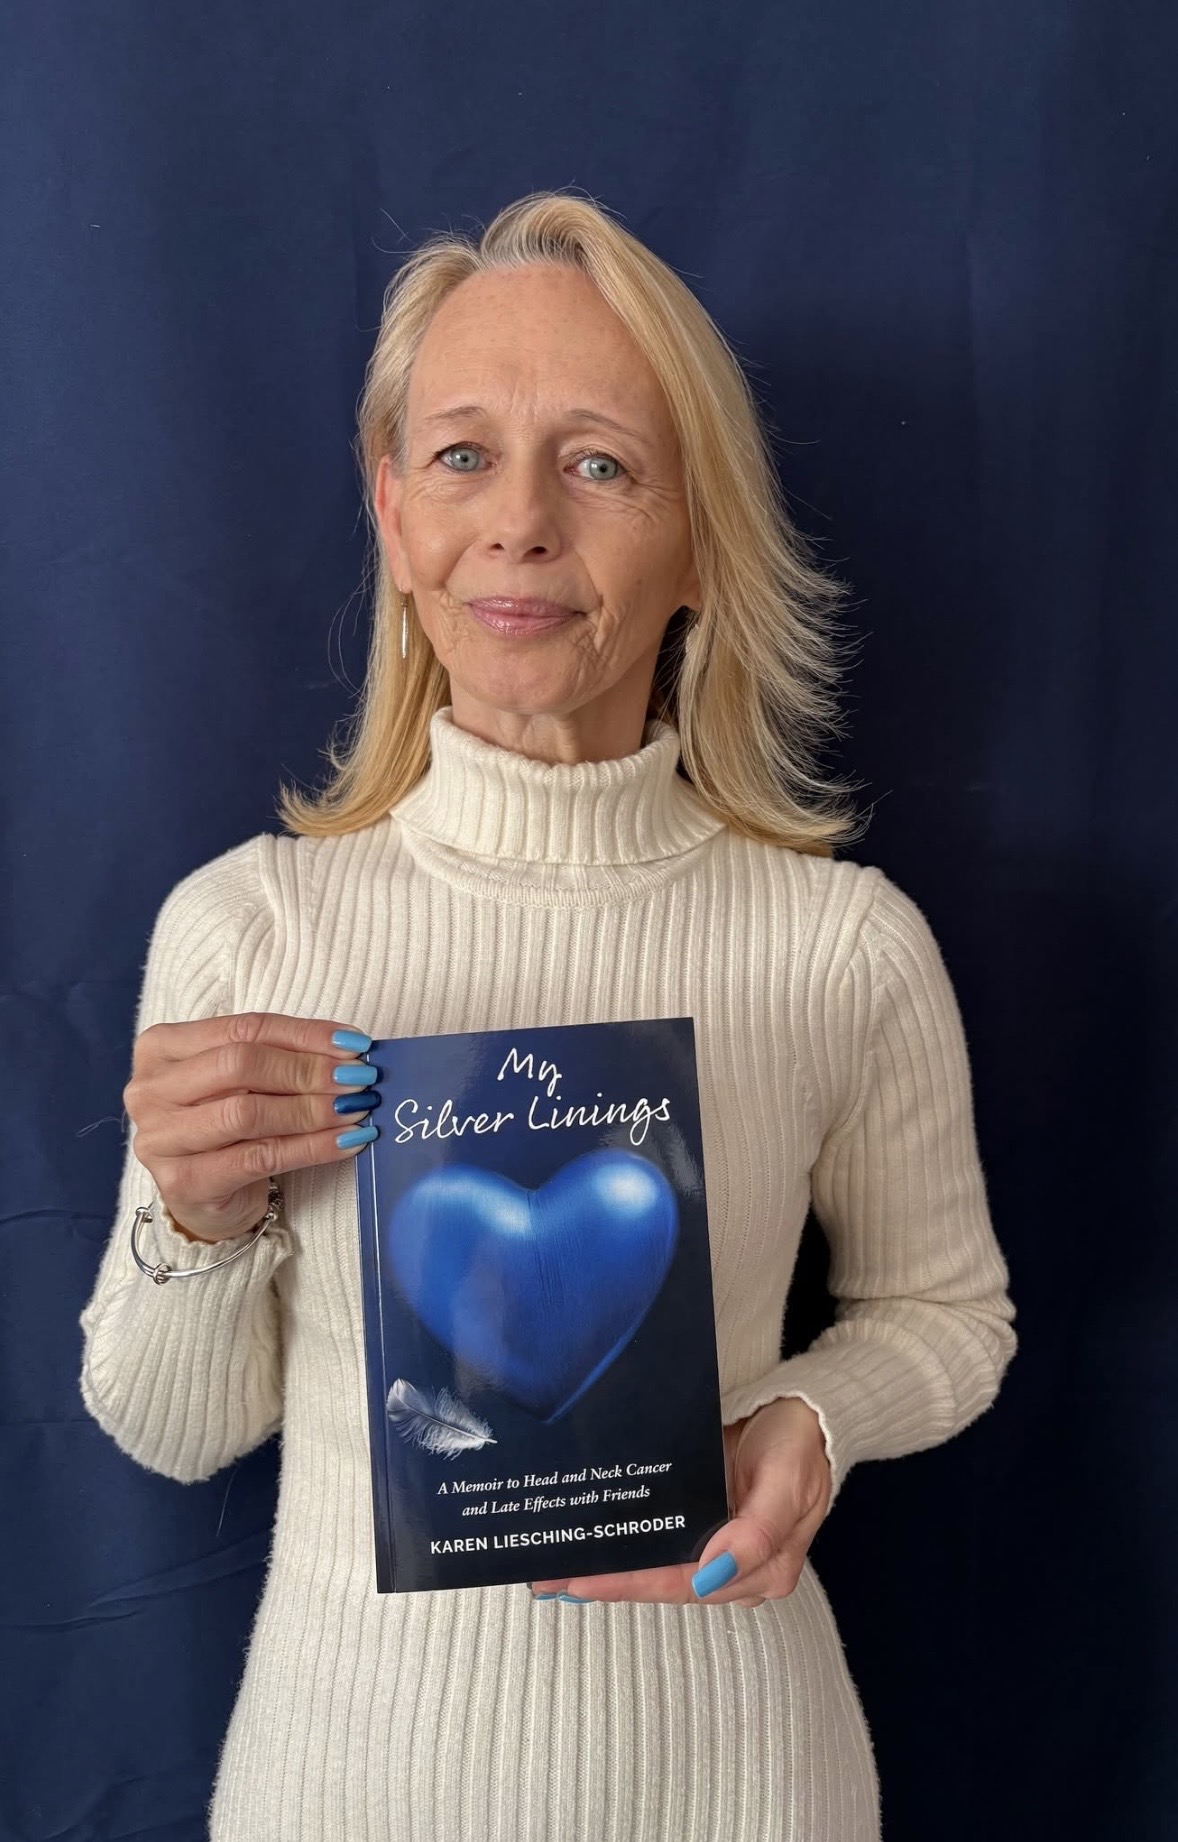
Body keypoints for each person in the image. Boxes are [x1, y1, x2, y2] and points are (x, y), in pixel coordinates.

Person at [80, 189, 1018, 1842]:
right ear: (389, 511)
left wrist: (812, 1421)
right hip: (343, 1787)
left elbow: (947, 1313)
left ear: (701, 539)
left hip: (736, 1781)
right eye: (458, 456)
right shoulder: (247, 926)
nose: (517, 524)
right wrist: (192, 1219)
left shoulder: (840, 945)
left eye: (597, 463)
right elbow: (168, 1433)